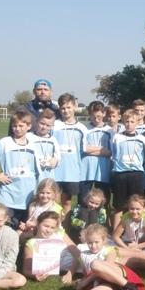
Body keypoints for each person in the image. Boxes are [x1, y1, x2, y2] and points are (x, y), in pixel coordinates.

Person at [0, 111, 40, 228]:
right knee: (4, 225)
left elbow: (37, 172)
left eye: (21, 126)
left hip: (26, 194)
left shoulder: (33, 146)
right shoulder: (4, 142)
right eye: (14, 126)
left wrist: (36, 191)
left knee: (22, 226)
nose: (17, 129)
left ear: (29, 126)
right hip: (8, 192)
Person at [72, 224, 145, 290]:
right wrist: (80, 282)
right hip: (106, 284)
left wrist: (86, 282)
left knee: (95, 264)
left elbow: (106, 269)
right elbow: (87, 275)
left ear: (104, 240)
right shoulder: (83, 255)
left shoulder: (110, 250)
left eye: (96, 242)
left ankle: (131, 288)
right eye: (90, 243)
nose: (93, 246)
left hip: (117, 277)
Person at [51, 93, 88, 223]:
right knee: (54, 201)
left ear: (75, 106)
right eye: (63, 108)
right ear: (59, 108)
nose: (66, 111)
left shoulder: (82, 128)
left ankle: (66, 228)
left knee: (67, 201)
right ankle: (54, 226)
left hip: (72, 171)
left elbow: (83, 149)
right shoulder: (54, 125)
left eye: (68, 107)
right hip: (55, 170)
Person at [109, 109, 145, 226]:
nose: (129, 124)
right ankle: (116, 231)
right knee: (119, 205)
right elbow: (114, 154)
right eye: (127, 121)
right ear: (123, 122)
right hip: (120, 174)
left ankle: (138, 230)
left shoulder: (142, 139)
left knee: (138, 204)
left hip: (136, 174)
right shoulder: (117, 137)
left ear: (137, 122)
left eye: (132, 122)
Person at [21, 211, 80, 283]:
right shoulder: (32, 243)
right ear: (38, 224)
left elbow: (78, 253)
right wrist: (35, 275)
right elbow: (26, 270)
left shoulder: (60, 234)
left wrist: (70, 274)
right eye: (46, 226)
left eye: (52, 227)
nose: (48, 230)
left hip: (81, 261)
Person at [80, 100, 114, 206]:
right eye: (93, 117)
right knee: (83, 200)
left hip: (102, 170)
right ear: (89, 114)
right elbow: (83, 149)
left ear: (104, 113)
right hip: (86, 170)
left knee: (103, 201)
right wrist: (100, 149)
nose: (96, 119)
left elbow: (110, 152)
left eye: (99, 116)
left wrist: (90, 150)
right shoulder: (84, 129)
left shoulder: (110, 131)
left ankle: (102, 217)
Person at [30, 108, 61, 179]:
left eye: (48, 125)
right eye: (42, 123)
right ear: (37, 121)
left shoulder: (53, 140)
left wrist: (55, 160)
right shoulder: (28, 137)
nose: (44, 127)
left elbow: (58, 157)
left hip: (48, 176)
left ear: (52, 126)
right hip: (33, 177)